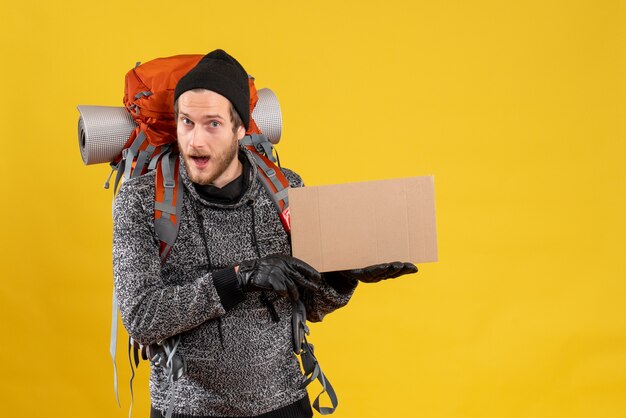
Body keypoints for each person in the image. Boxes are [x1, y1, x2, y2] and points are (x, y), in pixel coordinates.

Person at [113, 49, 417, 418]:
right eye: (186, 123)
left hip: (284, 402)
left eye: (212, 124)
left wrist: (341, 276)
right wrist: (239, 278)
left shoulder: (285, 190)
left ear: (241, 129)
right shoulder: (142, 200)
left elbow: (311, 304)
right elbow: (142, 317)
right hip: (188, 408)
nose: (195, 141)